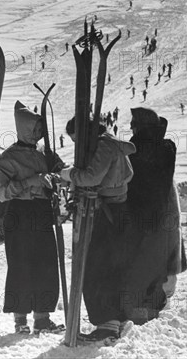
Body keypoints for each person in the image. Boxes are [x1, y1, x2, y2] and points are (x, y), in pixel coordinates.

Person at [59, 117, 136, 342]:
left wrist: (69, 174)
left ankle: (107, 323)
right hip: (116, 210)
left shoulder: (103, 145)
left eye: (76, 141)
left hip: (105, 213)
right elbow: (127, 174)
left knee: (95, 268)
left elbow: (91, 176)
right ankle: (114, 319)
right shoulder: (112, 143)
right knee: (108, 266)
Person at [0, 101, 65, 335]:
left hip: (42, 213)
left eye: (41, 128)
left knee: (45, 264)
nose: (40, 133)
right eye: (36, 128)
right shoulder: (9, 157)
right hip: (20, 214)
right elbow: (1, 192)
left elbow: (61, 174)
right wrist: (30, 182)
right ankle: (20, 320)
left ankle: (43, 318)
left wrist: (56, 175)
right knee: (21, 265)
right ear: (25, 129)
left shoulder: (45, 153)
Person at [124, 108, 187, 324]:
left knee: (141, 265)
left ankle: (142, 314)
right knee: (159, 263)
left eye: (134, 124)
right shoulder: (166, 147)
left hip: (138, 214)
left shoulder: (134, 150)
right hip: (162, 212)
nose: (131, 128)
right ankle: (151, 311)